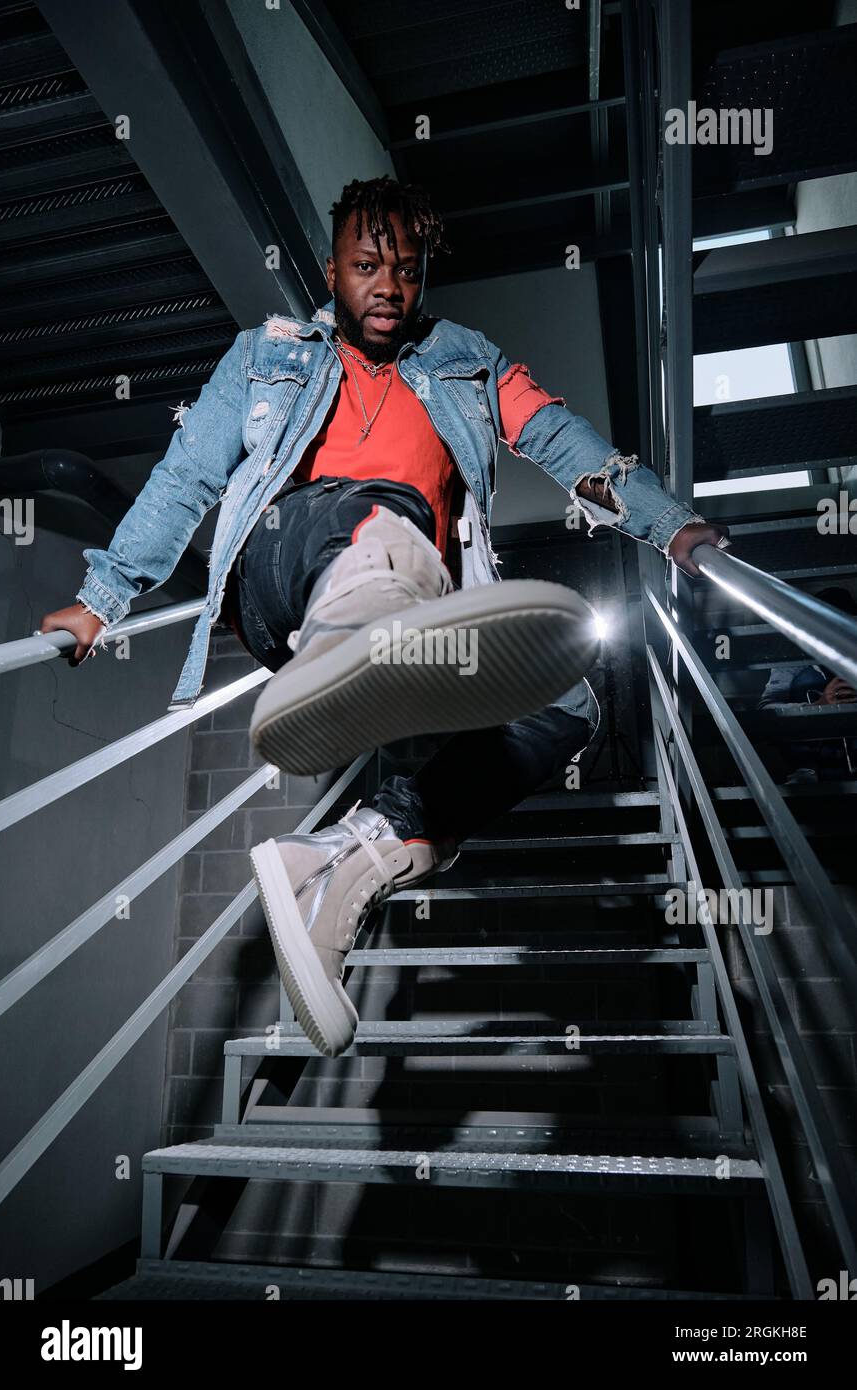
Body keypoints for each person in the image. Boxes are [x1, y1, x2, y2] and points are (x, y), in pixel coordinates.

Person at [40, 175, 727, 1057]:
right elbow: (187, 480)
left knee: (568, 709)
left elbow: (558, 437)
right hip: (284, 576)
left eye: (407, 270)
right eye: (367, 267)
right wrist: (104, 598)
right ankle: (350, 647)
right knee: (378, 500)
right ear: (331, 269)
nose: (389, 288)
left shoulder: (465, 361)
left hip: (418, 603)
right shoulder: (267, 354)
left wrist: (668, 526)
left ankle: (345, 865)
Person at [756, 586, 857, 784]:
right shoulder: (794, 657)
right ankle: (805, 768)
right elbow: (765, 710)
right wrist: (820, 705)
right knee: (807, 680)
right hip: (817, 757)